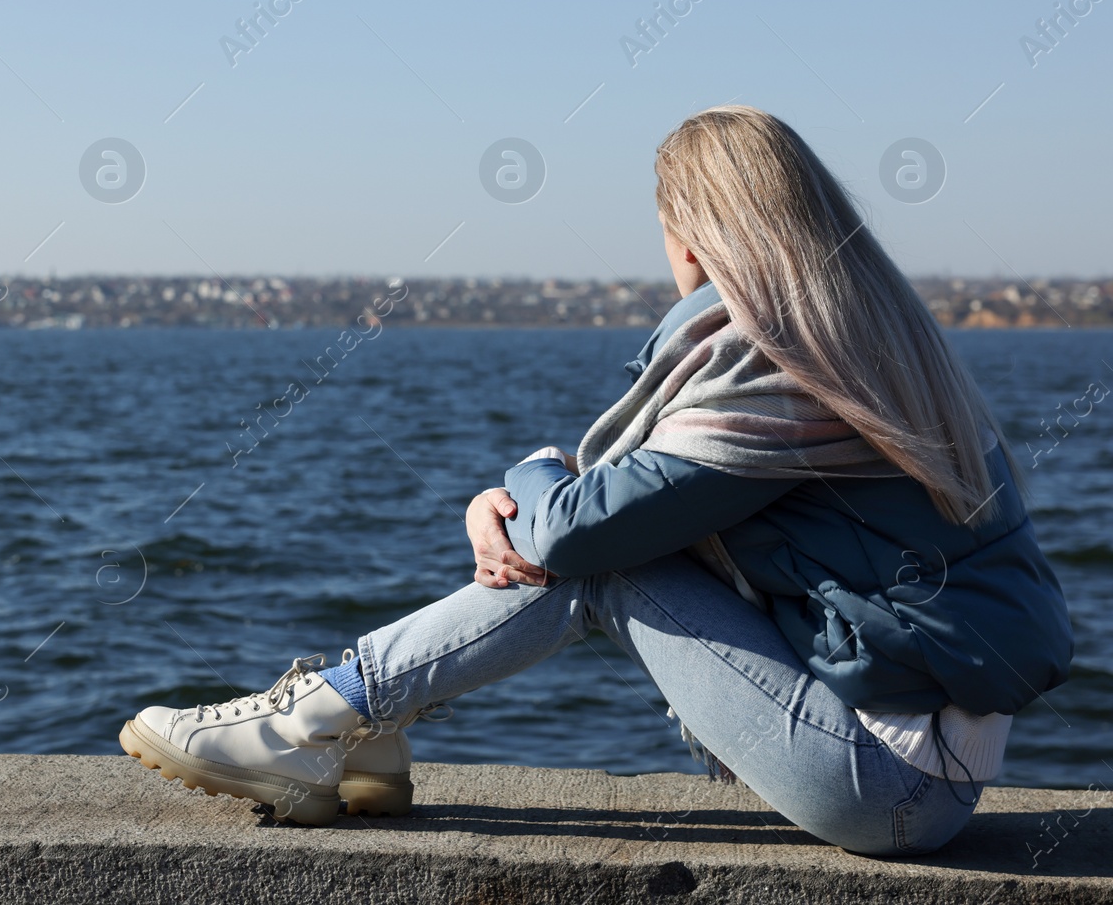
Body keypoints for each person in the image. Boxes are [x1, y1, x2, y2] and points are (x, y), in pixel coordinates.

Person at [118, 106, 1073, 855]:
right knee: (588, 541)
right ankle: (349, 729)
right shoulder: (870, 339)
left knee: (598, 566)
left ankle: (318, 718)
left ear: (698, 238)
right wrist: (532, 500)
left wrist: (528, 479)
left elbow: (584, 534)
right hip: (922, 762)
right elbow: (625, 502)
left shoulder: (778, 361)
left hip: (893, 785)